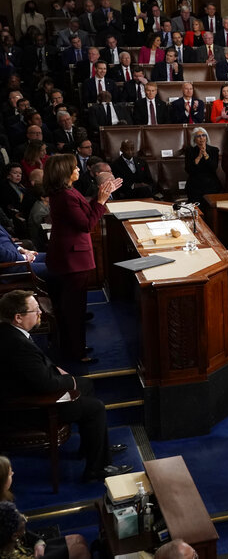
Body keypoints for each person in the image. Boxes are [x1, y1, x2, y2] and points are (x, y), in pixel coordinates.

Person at [0, 291, 132, 483]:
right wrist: (70, 380)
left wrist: (56, 370)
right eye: (35, 310)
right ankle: (97, 469)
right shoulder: (18, 345)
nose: (40, 313)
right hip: (30, 409)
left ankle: (92, 448)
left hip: (27, 392)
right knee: (94, 408)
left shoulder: (8, 332)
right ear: (18, 317)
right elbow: (46, 385)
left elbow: (34, 368)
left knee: (86, 384)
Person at [43, 155, 120, 364]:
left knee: (73, 308)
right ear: (64, 172)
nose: (78, 169)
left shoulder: (66, 192)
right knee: (73, 309)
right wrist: (101, 201)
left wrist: (101, 196)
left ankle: (74, 348)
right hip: (72, 260)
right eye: (75, 167)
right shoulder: (66, 196)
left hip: (70, 257)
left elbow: (83, 211)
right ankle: (75, 354)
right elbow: (86, 224)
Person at [184, 127, 221, 207]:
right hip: (195, 185)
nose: (201, 138)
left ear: (206, 137)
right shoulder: (190, 151)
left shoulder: (214, 150)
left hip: (211, 185)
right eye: (198, 136)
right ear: (194, 139)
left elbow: (213, 168)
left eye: (203, 135)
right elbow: (188, 170)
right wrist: (199, 157)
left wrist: (205, 154)